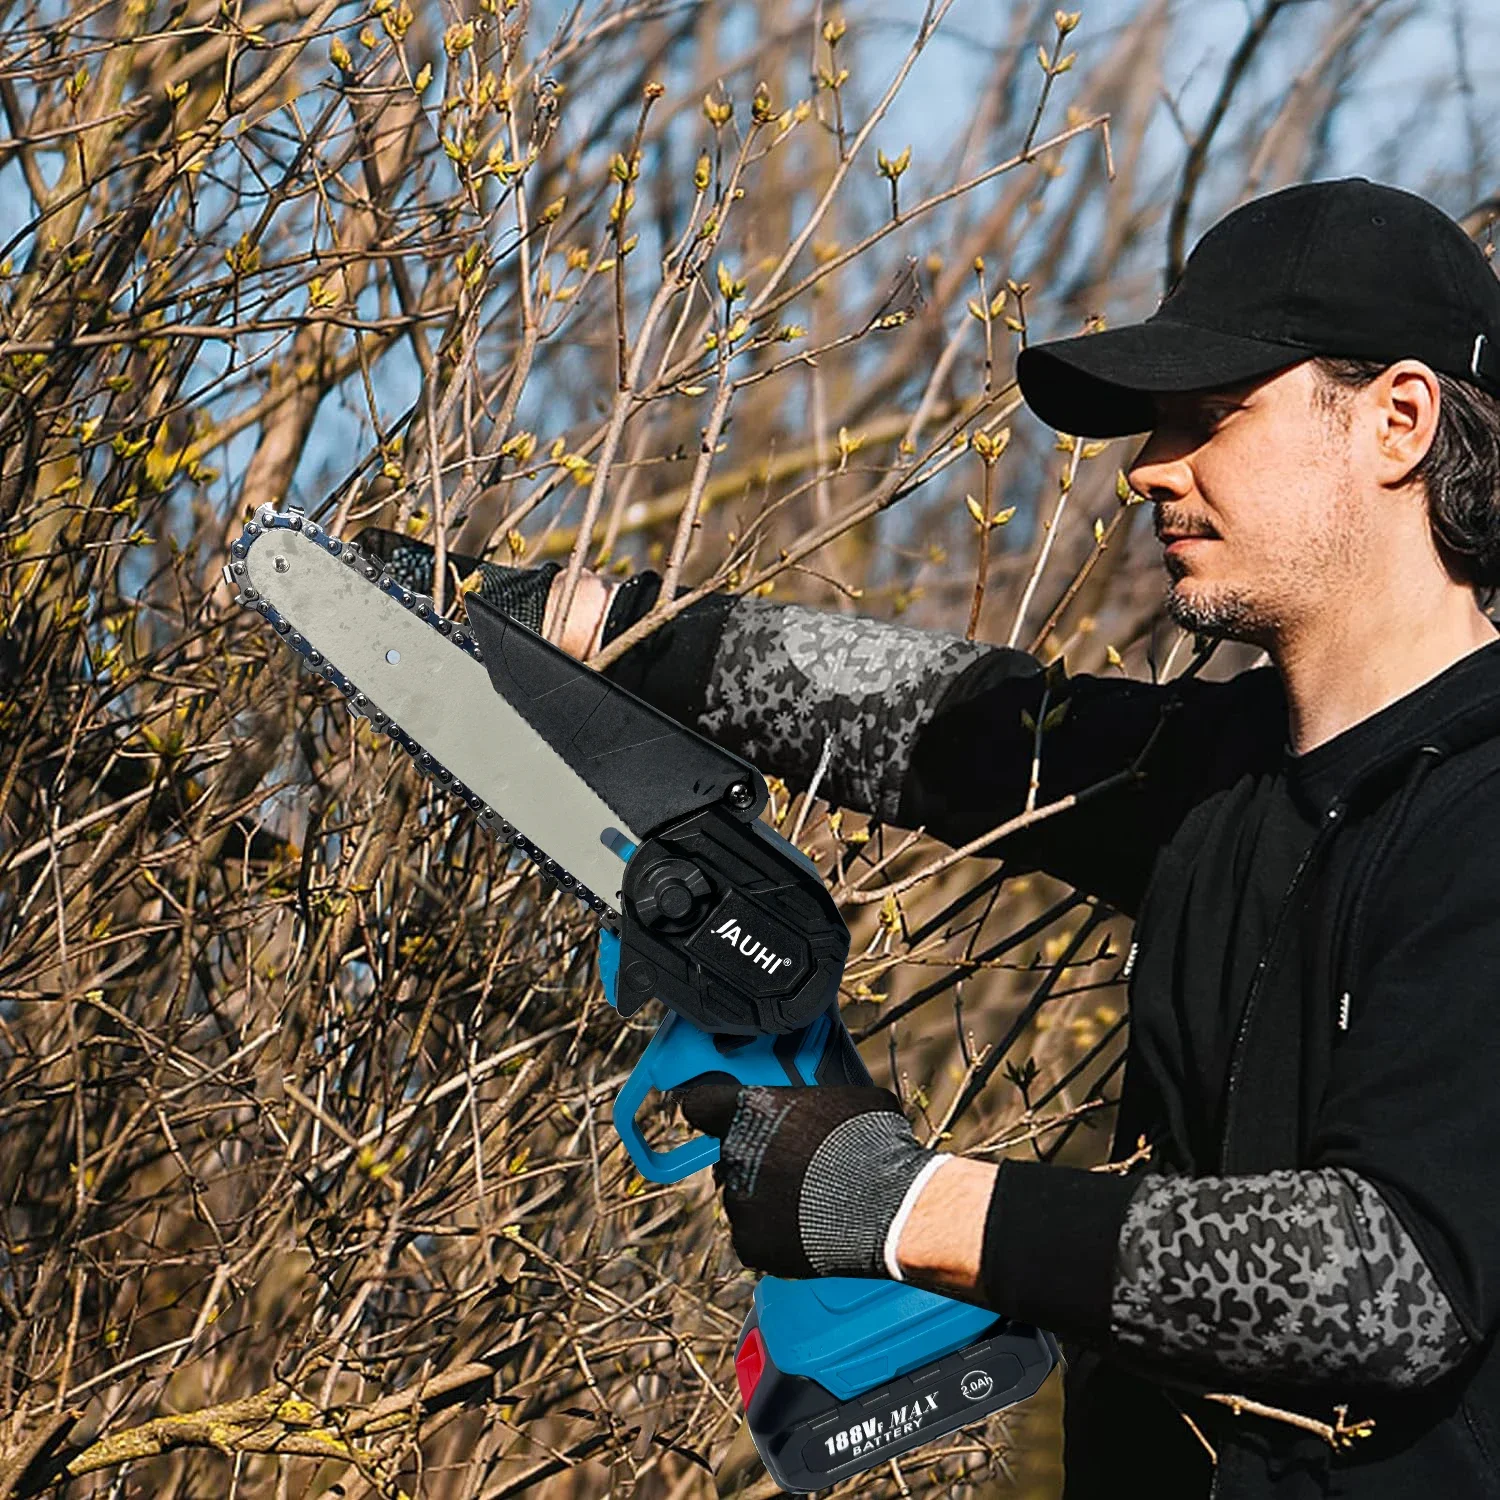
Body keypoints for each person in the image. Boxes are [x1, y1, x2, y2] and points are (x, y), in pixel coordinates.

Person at [364, 179, 1500, 1498]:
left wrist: (910, 1205)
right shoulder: (1222, 778)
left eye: (1208, 417)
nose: (1149, 468)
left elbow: (1391, 1278)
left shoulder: (1481, 809)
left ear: (1398, 420)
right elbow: (935, 717)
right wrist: (581, 626)